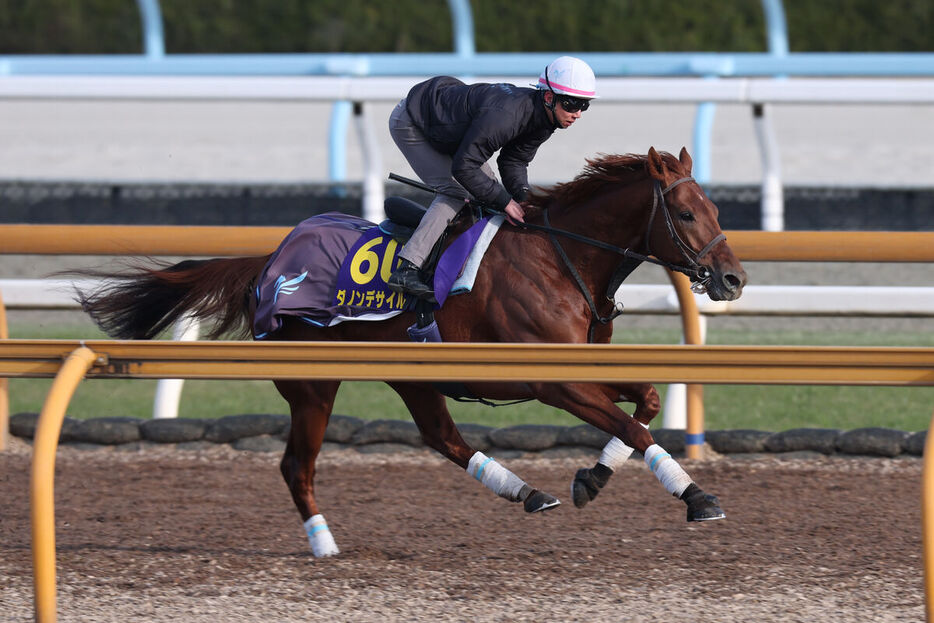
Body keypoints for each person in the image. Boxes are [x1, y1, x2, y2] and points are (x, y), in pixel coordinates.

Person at [386, 55, 598, 303]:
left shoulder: (546, 121)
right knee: (459, 191)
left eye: (584, 105)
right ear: (549, 98)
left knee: (488, 193)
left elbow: (513, 161)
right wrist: (506, 203)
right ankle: (409, 267)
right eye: (572, 104)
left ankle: (455, 250)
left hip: (450, 126)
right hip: (413, 121)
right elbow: (464, 168)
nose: (578, 114)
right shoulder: (507, 115)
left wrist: (523, 200)